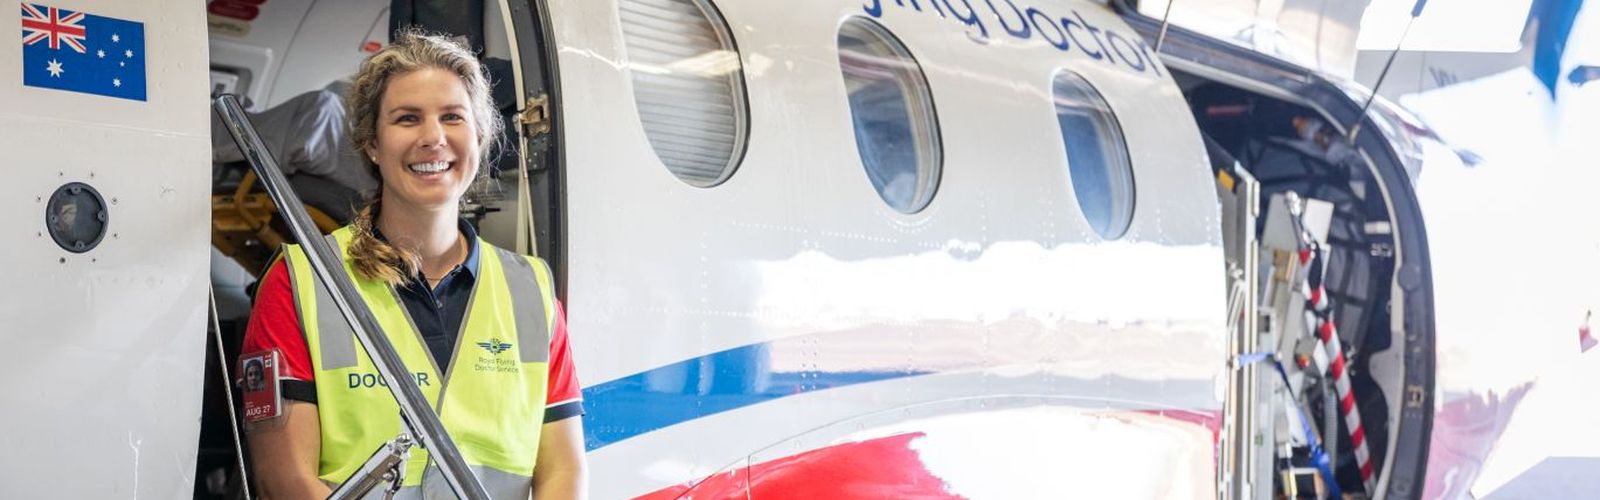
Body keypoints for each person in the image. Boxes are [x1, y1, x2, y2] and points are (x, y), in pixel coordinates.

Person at [239, 30, 586, 499]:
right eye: (407, 119)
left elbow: (563, 475)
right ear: (373, 145)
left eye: (452, 117)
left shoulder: (532, 290)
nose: (432, 137)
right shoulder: (301, 281)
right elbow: (287, 481)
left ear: (479, 138)